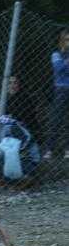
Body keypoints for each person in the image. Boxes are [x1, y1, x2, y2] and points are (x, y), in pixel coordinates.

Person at [0, 99, 40, 182]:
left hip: (25, 159)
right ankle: (8, 180)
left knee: (10, 161)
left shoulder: (11, 125)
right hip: (3, 159)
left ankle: (22, 178)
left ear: (2, 112)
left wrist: (7, 151)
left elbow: (26, 140)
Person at [44, 29, 69, 161]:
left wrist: (65, 65)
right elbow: (58, 70)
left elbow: (63, 69)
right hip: (60, 89)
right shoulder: (56, 54)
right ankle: (49, 149)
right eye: (67, 40)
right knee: (56, 119)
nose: (68, 43)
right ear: (62, 41)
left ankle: (67, 149)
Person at [6, 75, 40, 140]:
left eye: (15, 83)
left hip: (24, 129)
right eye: (10, 83)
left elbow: (24, 118)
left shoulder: (24, 98)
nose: (12, 86)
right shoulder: (4, 98)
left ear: (19, 85)